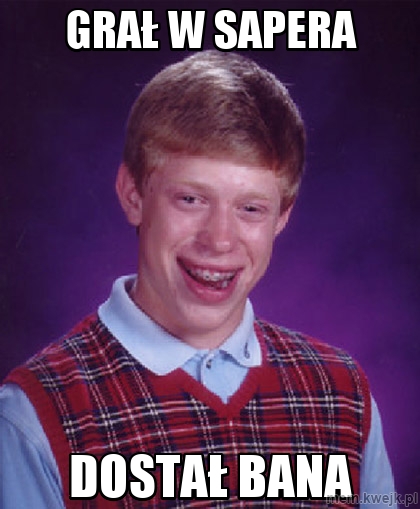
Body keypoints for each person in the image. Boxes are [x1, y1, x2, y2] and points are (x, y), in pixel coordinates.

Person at [0, 51, 395, 508]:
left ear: (282, 217)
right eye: (191, 199)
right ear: (133, 195)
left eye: (251, 208)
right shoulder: (35, 417)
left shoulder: (343, 396)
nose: (219, 239)